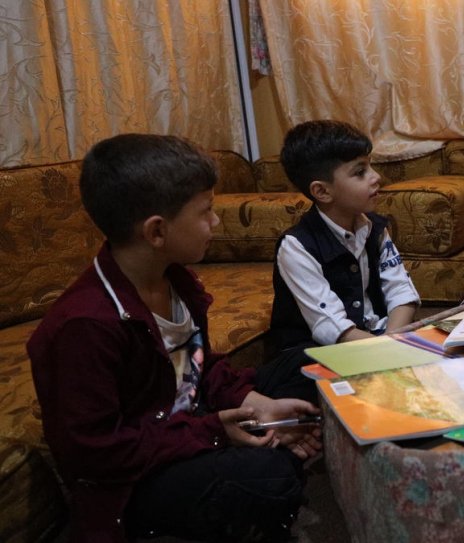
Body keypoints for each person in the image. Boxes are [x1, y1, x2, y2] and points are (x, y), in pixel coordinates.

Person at [27, 134, 323, 542]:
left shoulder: (175, 280)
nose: (216, 222)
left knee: (312, 362)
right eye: (205, 211)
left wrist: (255, 405)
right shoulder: (84, 327)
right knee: (267, 477)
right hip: (136, 479)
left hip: (190, 422)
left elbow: (196, 367)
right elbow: (96, 454)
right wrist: (216, 431)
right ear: (157, 232)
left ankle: (270, 452)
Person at [266, 120, 420, 400]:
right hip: (320, 350)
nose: (375, 177)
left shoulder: (374, 228)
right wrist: (390, 353)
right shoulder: (297, 247)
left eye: (370, 165)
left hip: (376, 340)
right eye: (360, 172)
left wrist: (393, 344)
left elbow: (400, 290)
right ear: (322, 191)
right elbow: (332, 328)